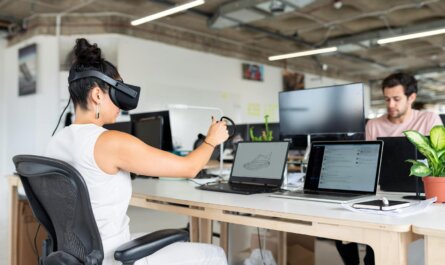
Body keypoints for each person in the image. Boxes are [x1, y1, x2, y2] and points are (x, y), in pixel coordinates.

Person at [45, 38, 229, 265]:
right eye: (116, 91)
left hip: (77, 255)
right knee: (215, 254)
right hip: (112, 255)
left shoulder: (55, 143)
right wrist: (212, 140)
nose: (120, 105)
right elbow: (189, 168)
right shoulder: (110, 142)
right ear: (97, 95)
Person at [336, 72, 442, 265]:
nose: (390, 105)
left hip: (420, 195)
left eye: (396, 99)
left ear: (411, 97)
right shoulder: (374, 125)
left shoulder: (428, 119)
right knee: (347, 230)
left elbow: (439, 161)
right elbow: (369, 165)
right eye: (387, 99)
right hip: (382, 194)